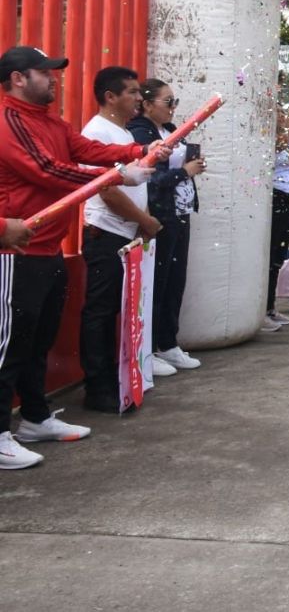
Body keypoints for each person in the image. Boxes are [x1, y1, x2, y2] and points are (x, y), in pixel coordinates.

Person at [1, 48, 161, 460]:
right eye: (44, 72)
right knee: (11, 345)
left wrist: (134, 154)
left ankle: (35, 417)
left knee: (39, 340)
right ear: (18, 78)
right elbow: (46, 170)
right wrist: (117, 176)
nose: (53, 79)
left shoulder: (50, 121)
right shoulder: (8, 120)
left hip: (47, 247)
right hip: (16, 251)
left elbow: (84, 149)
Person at [81, 67, 176, 406]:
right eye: (133, 92)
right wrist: (145, 220)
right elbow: (106, 190)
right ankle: (98, 388)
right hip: (106, 233)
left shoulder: (122, 133)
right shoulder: (97, 132)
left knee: (119, 312)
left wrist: (140, 223)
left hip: (127, 234)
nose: (139, 98)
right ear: (110, 97)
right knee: (101, 312)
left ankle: (119, 380)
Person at [128, 77, 205, 372]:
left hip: (180, 213)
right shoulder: (141, 133)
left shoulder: (171, 130)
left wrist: (191, 167)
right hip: (160, 215)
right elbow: (149, 178)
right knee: (158, 282)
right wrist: (183, 172)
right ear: (147, 105)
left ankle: (168, 343)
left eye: (175, 101)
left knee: (175, 280)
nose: (173, 107)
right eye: (168, 101)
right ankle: (148, 349)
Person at [264, 113, 289, 332]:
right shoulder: (266, 143)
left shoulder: (287, 148)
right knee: (269, 259)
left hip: (288, 202)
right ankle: (263, 309)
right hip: (274, 202)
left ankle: (270, 307)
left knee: (278, 258)